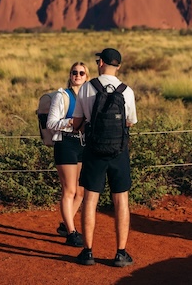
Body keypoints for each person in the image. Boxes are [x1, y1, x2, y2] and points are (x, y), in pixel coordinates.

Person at [72, 48, 137, 267]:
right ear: (118, 66)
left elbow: (77, 122)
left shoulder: (87, 88)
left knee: (90, 199)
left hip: (93, 150)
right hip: (119, 151)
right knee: (121, 200)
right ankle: (120, 253)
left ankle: (88, 252)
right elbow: (129, 122)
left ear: (100, 63)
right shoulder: (126, 91)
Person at [46, 61, 90, 247]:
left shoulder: (89, 97)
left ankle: (66, 225)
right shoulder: (61, 95)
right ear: (70, 75)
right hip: (65, 143)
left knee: (80, 191)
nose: (77, 76)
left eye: (81, 73)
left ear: (87, 76)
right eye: (74, 72)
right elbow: (51, 123)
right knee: (69, 190)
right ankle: (71, 233)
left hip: (83, 144)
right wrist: (71, 122)